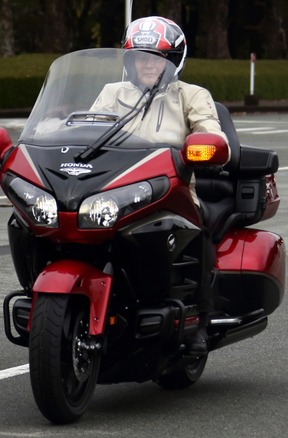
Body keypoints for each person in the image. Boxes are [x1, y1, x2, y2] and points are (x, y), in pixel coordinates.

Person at [90, 16, 228, 356]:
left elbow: (211, 131)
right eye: (141, 57)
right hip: (114, 189)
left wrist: (203, 144)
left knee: (198, 233)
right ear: (130, 61)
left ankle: (202, 322)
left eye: (156, 57)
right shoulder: (112, 93)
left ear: (171, 60)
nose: (148, 64)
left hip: (171, 191)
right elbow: (87, 130)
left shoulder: (190, 95)